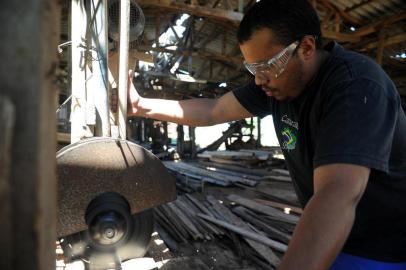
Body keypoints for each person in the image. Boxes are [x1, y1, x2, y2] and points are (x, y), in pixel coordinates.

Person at [128, 0, 406, 269]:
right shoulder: (280, 84)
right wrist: (141, 105)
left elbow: (337, 193)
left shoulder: (355, 86)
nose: (259, 79)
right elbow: (213, 110)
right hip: (339, 234)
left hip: (384, 247)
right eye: (252, 69)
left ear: (306, 47)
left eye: (266, 66)